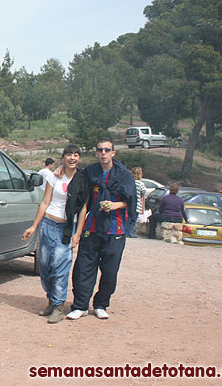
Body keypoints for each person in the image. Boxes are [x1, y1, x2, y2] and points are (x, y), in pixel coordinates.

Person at [66, 137, 136, 321]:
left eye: (107, 150)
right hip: (93, 228)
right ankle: (80, 305)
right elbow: (76, 178)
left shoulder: (124, 175)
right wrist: (59, 168)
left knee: (110, 271)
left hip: (115, 230)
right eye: (100, 150)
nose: (103, 153)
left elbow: (131, 201)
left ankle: (101, 304)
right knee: (83, 268)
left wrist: (115, 205)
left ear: (113, 153)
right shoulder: (91, 172)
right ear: (96, 153)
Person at [23, 145, 84, 324]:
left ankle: (58, 306)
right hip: (48, 224)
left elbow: (83, 209)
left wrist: (78, 233)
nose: (72, 158)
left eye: (75, 155)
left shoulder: (82, 179)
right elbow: (45, 202)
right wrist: (34, 226)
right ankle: (51, 300)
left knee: (60, 267)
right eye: (68, 155)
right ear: (63, 157)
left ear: (79, 158)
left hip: (66, 228)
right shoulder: (53, 176)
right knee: (44, 265)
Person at [127, 167, 147, 238]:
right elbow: (144, 192)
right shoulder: (141, 184)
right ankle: (130, 233)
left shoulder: (129, 182)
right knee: (133, 219)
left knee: (127, 218)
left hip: (128, 203)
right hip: (137, 204)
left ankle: (125, 232)